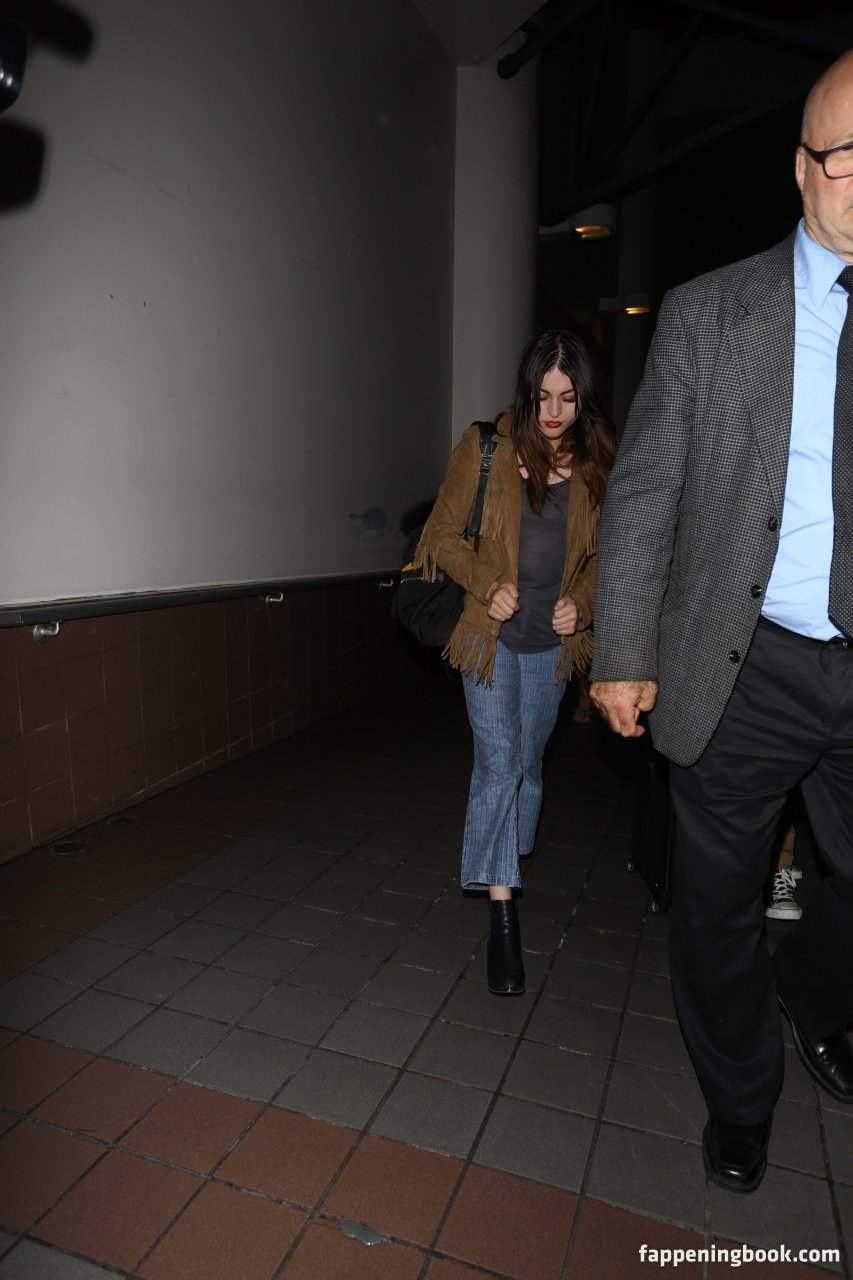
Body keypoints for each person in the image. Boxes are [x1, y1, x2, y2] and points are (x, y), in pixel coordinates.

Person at [589, 48, 853, 1195]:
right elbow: (645, 490)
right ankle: (741, 1097)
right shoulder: (709, 311)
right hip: (741, 665)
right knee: (714, 907)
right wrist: (623, 650)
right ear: (800, 167)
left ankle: (814, 991)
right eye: (848, 157)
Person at [415, 329, 616, 994]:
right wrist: (484, 581)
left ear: (583, 399)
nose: (552, 412)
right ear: (525, 394)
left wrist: (581, 606)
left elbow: (608, 559)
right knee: (499, 763)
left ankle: (506, 846)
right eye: (541, 397)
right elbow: (439, 535)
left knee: (527, 765)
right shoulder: (486, 448)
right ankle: (504, 915)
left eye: (566, 398)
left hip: (550, 649)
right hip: (487, 639)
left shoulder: (597, 464)